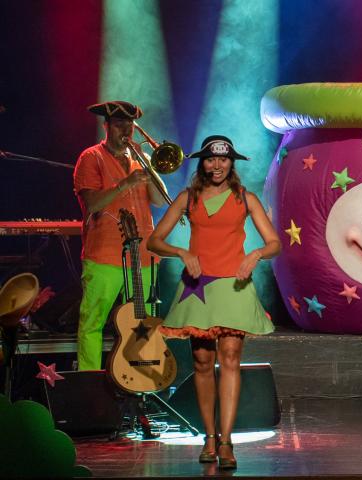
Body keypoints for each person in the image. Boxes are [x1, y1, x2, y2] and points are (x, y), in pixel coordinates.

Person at [147, 135, 281, 470]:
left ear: (231, 163)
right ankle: (209, 436)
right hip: (199, 287)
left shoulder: (245, 198)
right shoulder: (188, 197)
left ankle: (226, 440)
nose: (217, 165)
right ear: (202, 163)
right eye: (210, 159)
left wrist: (256, 254)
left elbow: (274, 243)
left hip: (234, 285)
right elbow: (154, 240)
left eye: (223, 159)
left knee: (231, 358)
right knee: (203, 362)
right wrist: (182, 252)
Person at [73, 100, 168, 371]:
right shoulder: (91, 157)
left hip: (144, 256)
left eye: (130, 124)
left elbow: (160, 200)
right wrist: (125, 183)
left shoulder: (141, 158)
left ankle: (139, 380)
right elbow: (92, 204)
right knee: (93, 322)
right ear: (106, 126)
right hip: (105, 254)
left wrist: (150, 168)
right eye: (119, 124)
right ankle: (89, 381)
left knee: (142, 324)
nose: (126, 130)